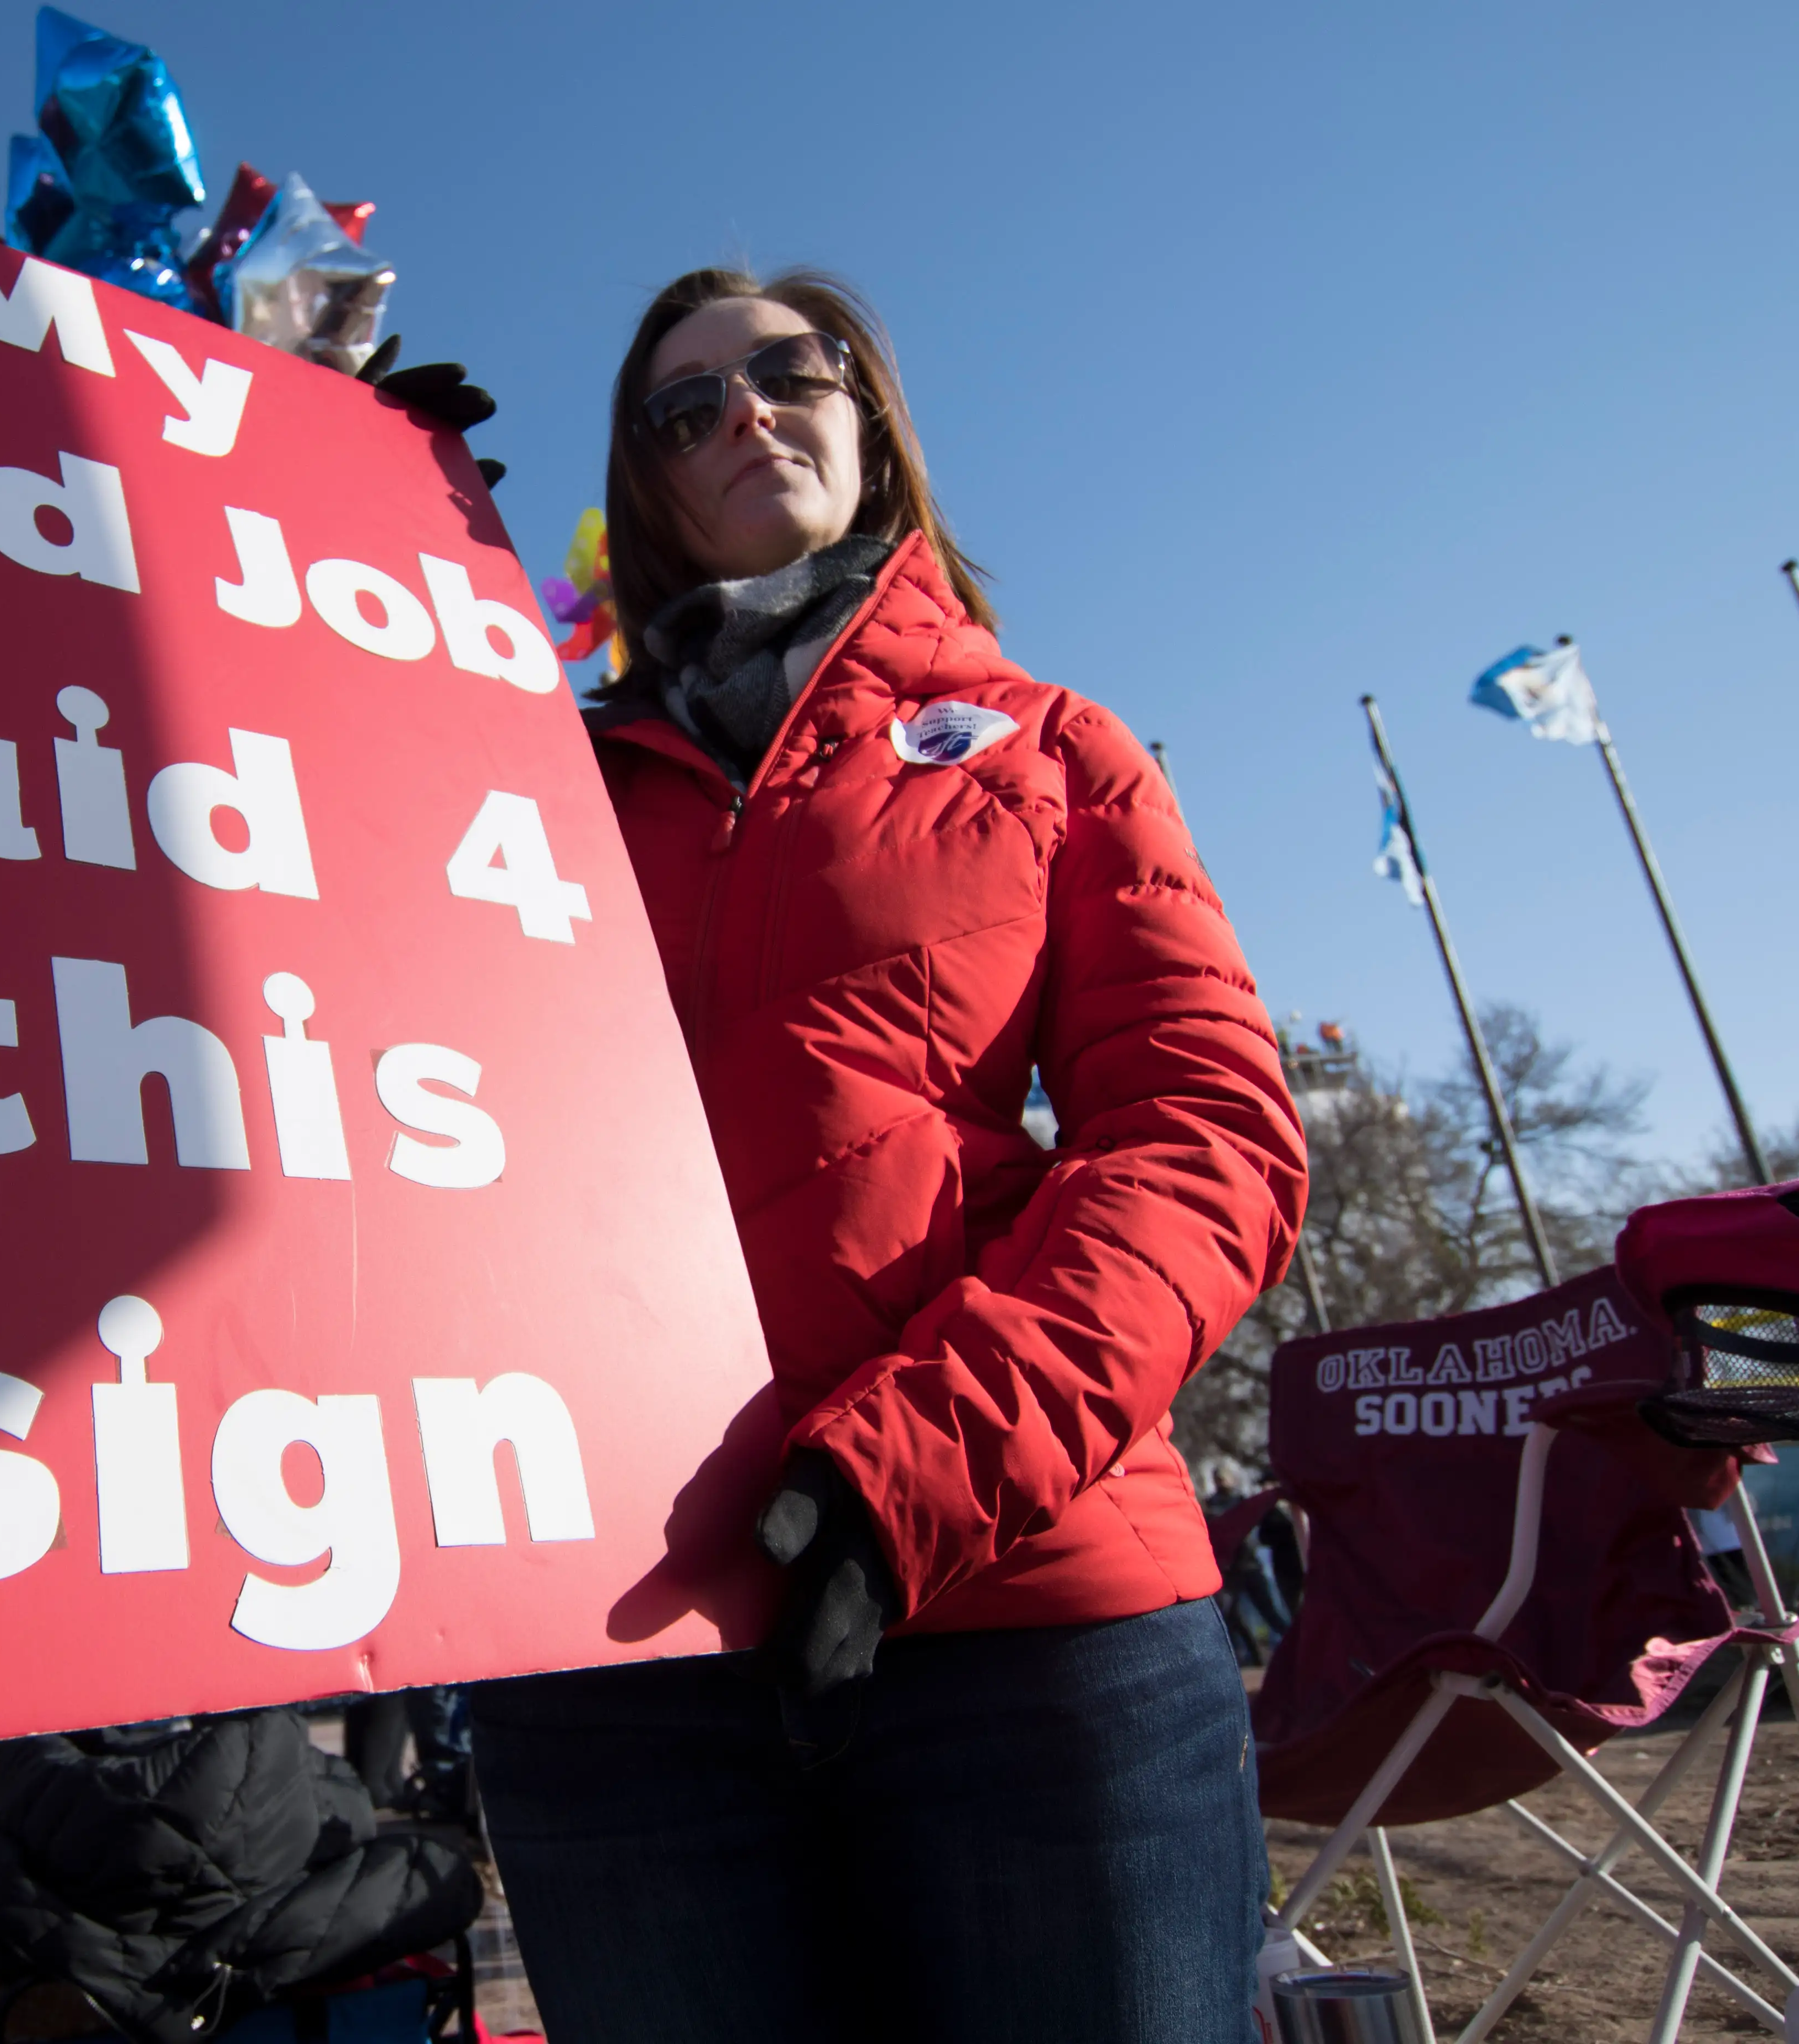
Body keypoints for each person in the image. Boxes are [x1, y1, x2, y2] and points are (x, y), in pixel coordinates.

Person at [468, 271, 1308, 2043]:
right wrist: (350, 534)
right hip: (613, 1646)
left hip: (1033, 1620)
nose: (744, 416)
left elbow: (1204, 1134)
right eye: (682, 407)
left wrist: (909, 1470)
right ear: (646, 483)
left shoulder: (1053, 744)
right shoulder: (506, 778)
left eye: (786, 372)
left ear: (866, 411)